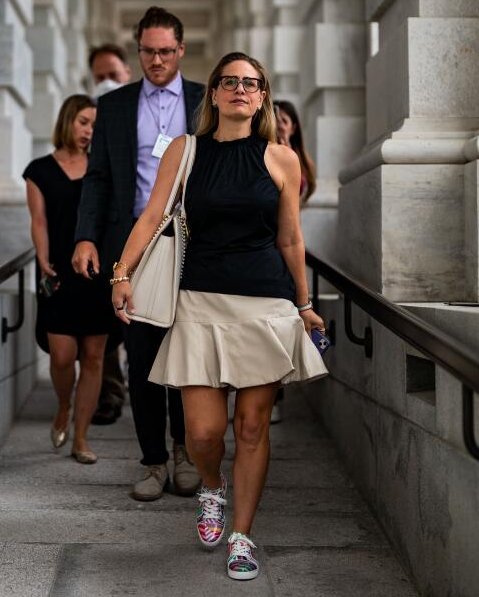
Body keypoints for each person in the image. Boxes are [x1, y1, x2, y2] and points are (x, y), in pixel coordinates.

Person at [110, 52, 329, 581]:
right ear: (212, 94)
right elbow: (151, 215)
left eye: (249, 84)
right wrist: (121, 272)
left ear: (262, 96)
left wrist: (303, 304)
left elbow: (291, 238)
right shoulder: (185, 152)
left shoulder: (281, 159)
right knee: (205, 433)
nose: (239, 90)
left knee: (251, 426)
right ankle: (212, 486)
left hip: (266, 303)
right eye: (228, 82)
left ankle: (242, 536)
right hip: (199, 300)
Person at [73, 6, 205, 501]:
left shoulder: (202, 101)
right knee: (143, 355)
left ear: (181, 51)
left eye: (165, 51)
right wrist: (86, 236)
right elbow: (99, 178)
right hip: (133, 243)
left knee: (187, 352)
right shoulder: (114, 106)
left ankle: (185, 452)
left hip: (192, 245)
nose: (156, 60)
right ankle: (152, 462)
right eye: (148, 51)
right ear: (138, 52)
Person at [22, 95, 111, 465]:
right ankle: (63, 405)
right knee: (62, 354)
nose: (89, 130)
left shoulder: (103, 169)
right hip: (57, 270)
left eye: (95, 124)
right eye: (84, 122)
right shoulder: (39, 169)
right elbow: (39, 219)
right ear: (68, 121)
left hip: (97, 273)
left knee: (93, 356)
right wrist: (41, 256)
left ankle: (81, 437)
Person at [86, 44, 133, 426]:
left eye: (113, 75)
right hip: (102, 241)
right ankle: (111, 393)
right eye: (99, 75)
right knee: (106, 325)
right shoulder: (85, 119)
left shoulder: (138, 115)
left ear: (127, 74)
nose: (106, 82)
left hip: (142, 235)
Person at [269, 99, 318, 424]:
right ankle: (268, 394)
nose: (283, 124)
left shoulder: (298, 159)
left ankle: (276, 392)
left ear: (295, 124)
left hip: (291, 243)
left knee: (287, 326)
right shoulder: (269, 155)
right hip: (271, 245)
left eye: (287, 119)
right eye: (277, 119)